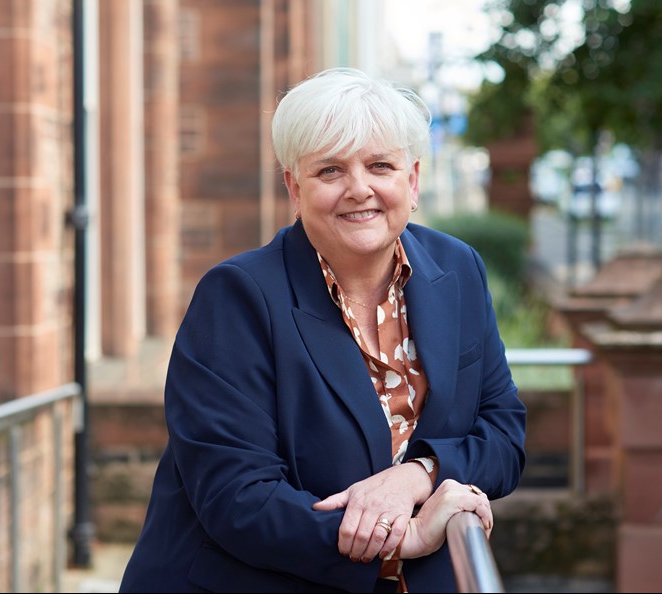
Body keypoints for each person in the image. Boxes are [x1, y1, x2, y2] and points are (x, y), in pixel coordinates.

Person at [119, 67, 527, 593]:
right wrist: (403, 536)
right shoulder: (237, 297)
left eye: (380, 165)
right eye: (330, 171)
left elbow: (503, 433)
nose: (360, 189)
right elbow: (236, 497)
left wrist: (419, 472)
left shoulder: (457, 269)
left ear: (414, 180)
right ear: (294, 186)